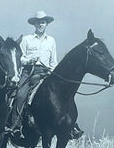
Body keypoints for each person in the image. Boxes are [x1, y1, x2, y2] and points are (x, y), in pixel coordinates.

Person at [7, 10, 83, 140]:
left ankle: (70, 126)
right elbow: (19, 59)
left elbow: (53, 61)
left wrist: (56, 74)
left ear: (46, 24)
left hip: (46, 73)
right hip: (29, 72)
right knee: (20, 94)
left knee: (65, 94)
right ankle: (16, 126)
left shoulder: (51, 41)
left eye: (43, 22)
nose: (40, 25)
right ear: (34, 24)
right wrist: (29, 60)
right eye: (38, 22)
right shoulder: (26, 39)